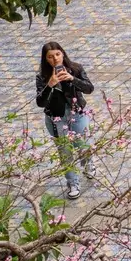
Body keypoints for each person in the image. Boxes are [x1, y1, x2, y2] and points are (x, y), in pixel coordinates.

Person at [36, 41, 93, 200]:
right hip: (56, 117)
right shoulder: (42, 76)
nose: (55, 59)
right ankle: (72, 182)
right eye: (50, 57)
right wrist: (50, 85)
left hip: (76, 113)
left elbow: (89, 88)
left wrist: (72, 79)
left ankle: (88, 163)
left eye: (57, 54)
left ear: (62, 53)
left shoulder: (76, 68)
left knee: (83, 144)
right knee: (65, 150)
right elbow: (40, 102)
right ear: (45, 59)